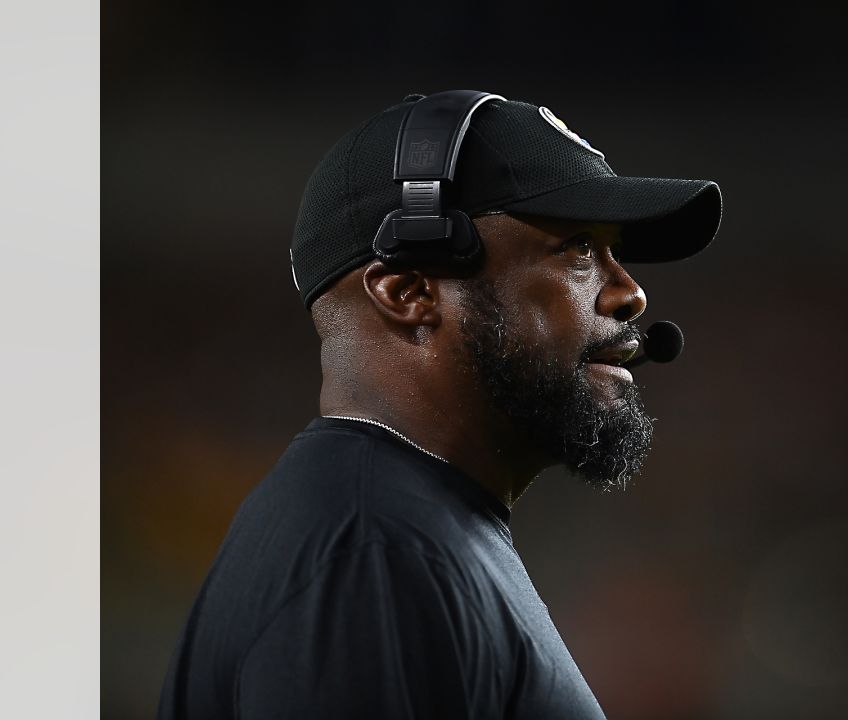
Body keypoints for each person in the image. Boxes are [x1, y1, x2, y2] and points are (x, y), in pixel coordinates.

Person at [156, 92, 722, 719]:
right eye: (580, 249)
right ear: (409, 290)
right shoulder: (376, 554)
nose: (630, 293)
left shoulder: (401, 529)